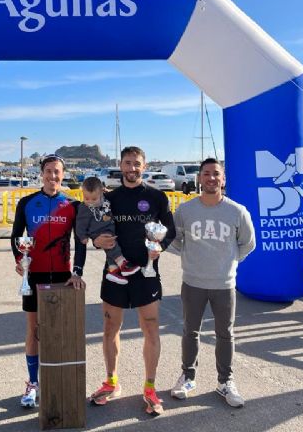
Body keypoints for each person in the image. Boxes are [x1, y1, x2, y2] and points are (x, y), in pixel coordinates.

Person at [90, 146, 176, 416]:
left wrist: (161, 248)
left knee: (150, 327)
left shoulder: (156, 197)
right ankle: (111, 381)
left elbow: (170, 230)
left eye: (137, 164)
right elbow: (94, 228)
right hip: (114, 272)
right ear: (120, 164)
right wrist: (95, 240)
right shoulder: (109, 198)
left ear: (144, 165)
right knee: (109, 328)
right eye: (128, 163)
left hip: (146, 273)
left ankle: (150, 388)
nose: (132, 168)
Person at [170, 158, 256, 408]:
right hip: (193, 282)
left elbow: (248, 243)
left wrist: (229, 261)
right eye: (206, 174)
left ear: (223, 179)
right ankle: (188, 376)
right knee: (190, 331)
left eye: (216, 174)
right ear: (199, 178)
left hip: (224, 283)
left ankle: (225, 382)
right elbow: (175, 239)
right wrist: (188, 256)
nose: (211, 178)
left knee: (225, 334)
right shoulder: (185, 211)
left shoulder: (236, 211)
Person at [10, 154, 86, 408]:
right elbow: (15, 236)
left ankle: (57, 380)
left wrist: (77, 271)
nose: (53, 176)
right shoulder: (28, 203)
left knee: (60, 331)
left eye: (58, 172)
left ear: (63, 175)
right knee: (33, 330)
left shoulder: (73, 205)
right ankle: (33, 382)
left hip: (63, 277)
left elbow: (80, 241)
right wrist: (20, 259)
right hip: (35, 274)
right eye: (49, 171)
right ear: (41, 173)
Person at [75, 176, 140, 285]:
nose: (90, 202)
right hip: (98, 231)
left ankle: (113, 271)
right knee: (112, 244)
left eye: (94, 199)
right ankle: (123, 264)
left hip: (108, 228)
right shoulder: (84, 208)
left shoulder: (105, 199)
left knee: (110, 250)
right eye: (86, 198)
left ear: (101, 192)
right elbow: (80, 224)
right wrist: (83, 237)